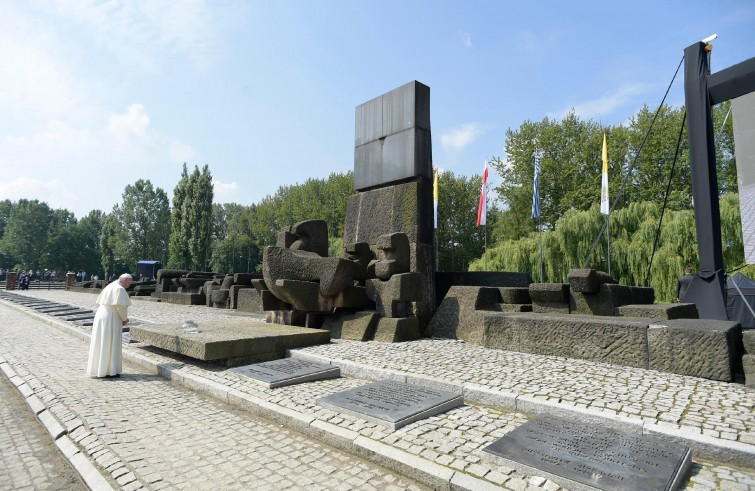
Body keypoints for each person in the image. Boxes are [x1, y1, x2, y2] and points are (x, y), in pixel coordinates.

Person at [86, 273, 133, 378]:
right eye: (129, 283)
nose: (129, 285)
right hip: (111, 317)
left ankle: (101, 369)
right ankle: (110, 371)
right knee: (110, 342)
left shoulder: (111, 285)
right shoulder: (120, 289)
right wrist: (124, 319)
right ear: (125, 280)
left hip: (102, 314)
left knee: (102, 342)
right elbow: (121, 307)